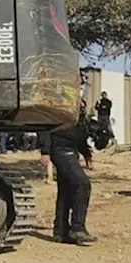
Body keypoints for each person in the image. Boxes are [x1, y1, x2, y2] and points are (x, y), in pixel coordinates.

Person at [37, 101, 96, 245]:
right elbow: (44, 127)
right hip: (60, 150)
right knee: (82, 184)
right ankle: (77, 228)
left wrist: (87, 155)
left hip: (71, 151)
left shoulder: (78, 111)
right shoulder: (57, 104)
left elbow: (79, 135)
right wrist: (45, 151)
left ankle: (61, 231)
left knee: (66, 190)